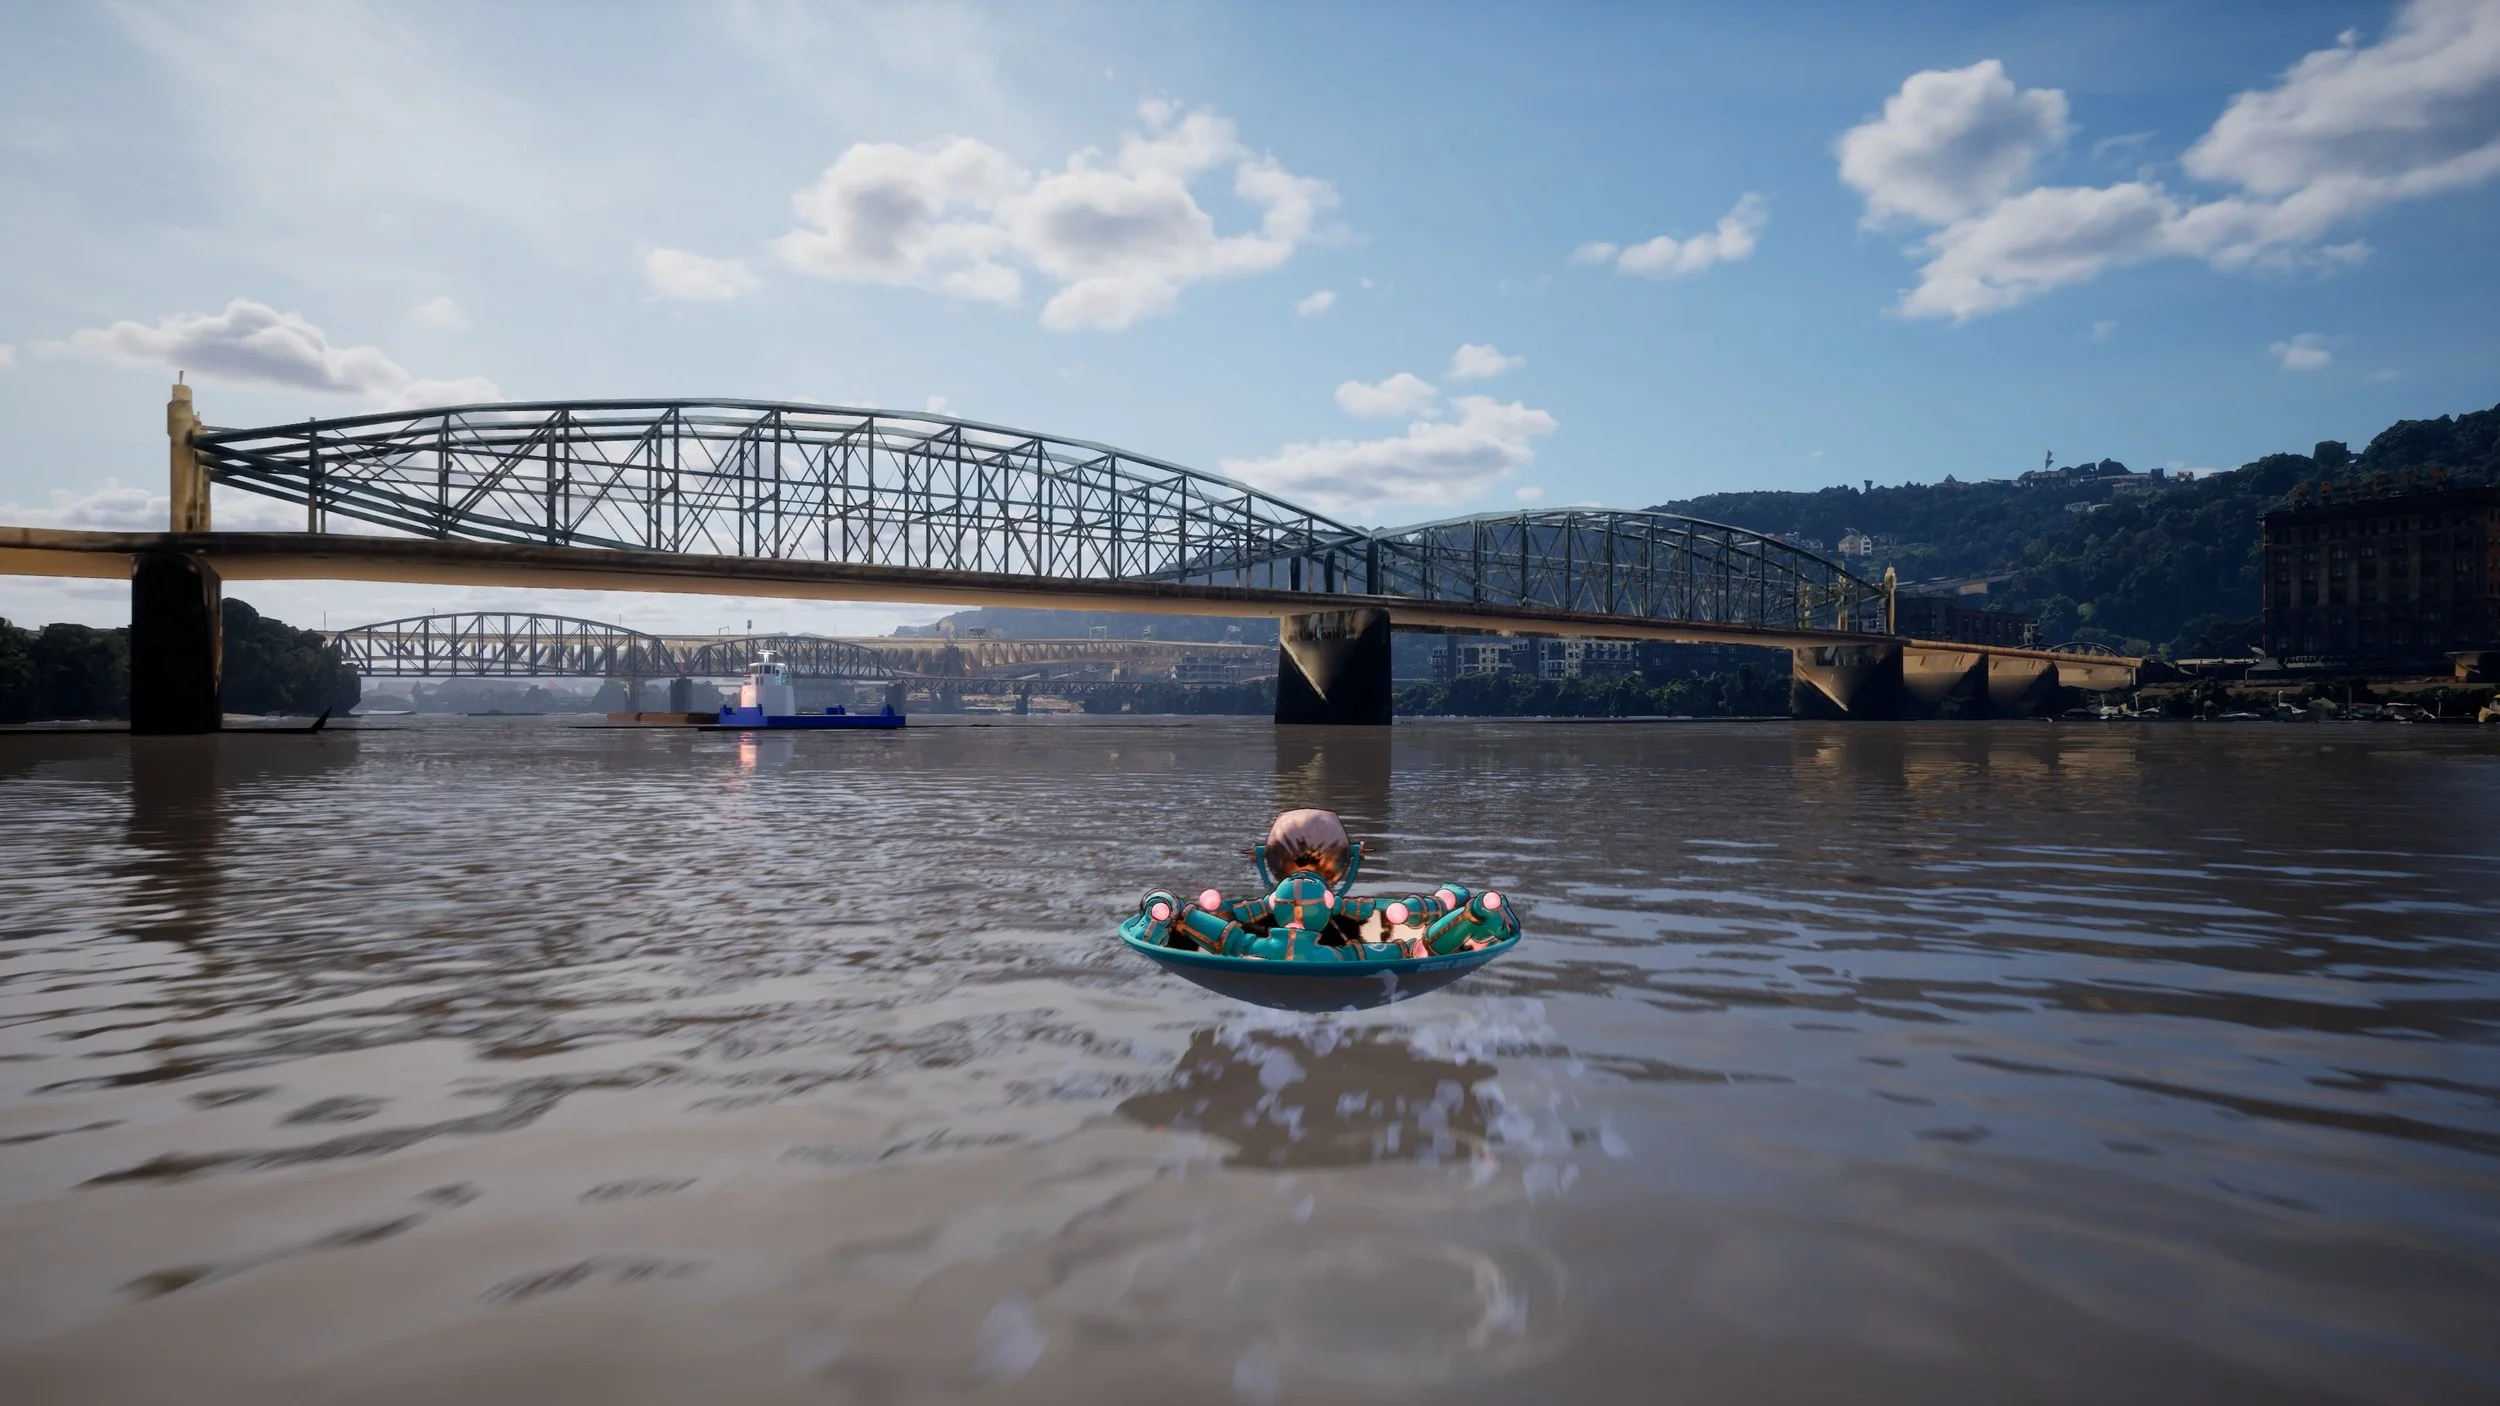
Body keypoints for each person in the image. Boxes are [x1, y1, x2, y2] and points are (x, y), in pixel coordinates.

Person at [1136, 809, 1516, 961]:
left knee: (1420, 937)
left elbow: (1216, 919)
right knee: (1417, 944)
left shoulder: (1265, 906)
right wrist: (1455, 906)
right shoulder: (1345, 909)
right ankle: (1481, 916)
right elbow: (1411, 933)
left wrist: (1171, 911)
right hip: (1340, 953)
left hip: (1259, 947)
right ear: (1348, 862)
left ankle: (1480, 916)